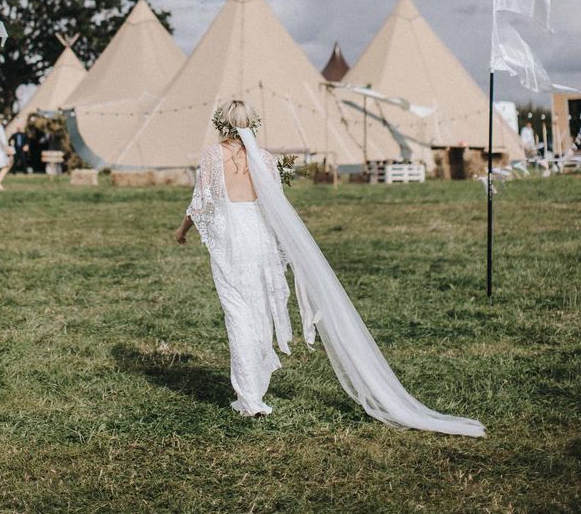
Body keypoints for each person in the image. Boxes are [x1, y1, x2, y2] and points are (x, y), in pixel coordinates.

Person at [175, 99, 484, 437]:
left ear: (222, 125)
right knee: (259, 311)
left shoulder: (211, 156)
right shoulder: (264, 159)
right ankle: (253, 391)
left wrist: (182, 231)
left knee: (237, 314)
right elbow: (276, 209)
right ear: (252, 124)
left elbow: (201, 202)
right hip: (259, 240)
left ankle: (249, 396)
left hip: (232, 241)